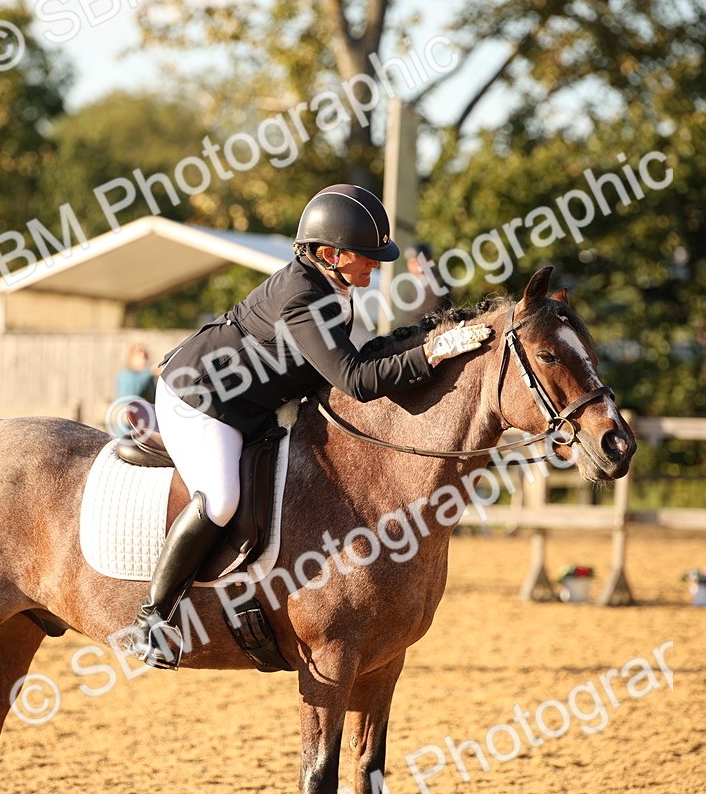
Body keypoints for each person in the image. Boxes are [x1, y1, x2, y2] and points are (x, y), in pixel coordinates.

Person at [125, 183, 492, 669]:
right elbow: (356, 381)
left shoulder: (333, 284)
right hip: (201, 399)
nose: (375, 265)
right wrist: (429, 355)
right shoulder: (302, 296)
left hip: (253, 402)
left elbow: (354, 358)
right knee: (220, 499)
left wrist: (429, 343)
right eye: (366, 256)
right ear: (329, 252)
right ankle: (154, 617)